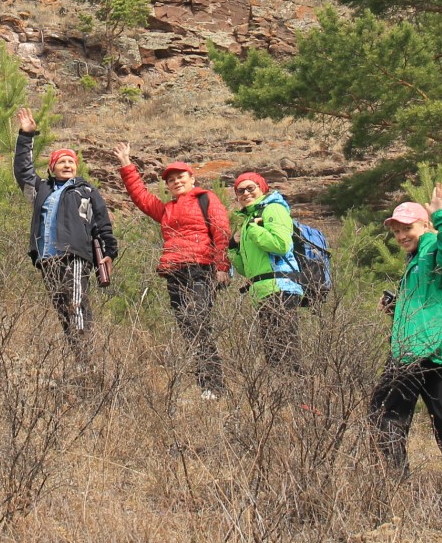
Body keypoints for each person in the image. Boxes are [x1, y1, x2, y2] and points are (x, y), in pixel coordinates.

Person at [370, 183, 442, 505]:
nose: (401, 235)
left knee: (384, 415)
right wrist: (397, 309)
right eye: (396, 231)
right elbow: (432, 300)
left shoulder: (435, 246)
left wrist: (441, 214)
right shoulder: (418, 259)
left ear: (425, 226)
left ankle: (395, 488)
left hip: (421, 353)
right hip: (435, 352)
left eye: (407, 228)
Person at [114, 142, 232, 399]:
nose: (176, 182)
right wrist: (126, 164)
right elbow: (141, 197)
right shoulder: (167, 209)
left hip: (202, 269)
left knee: (198, 321)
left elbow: (222, 231)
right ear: (167, 186)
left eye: (181, 177)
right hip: (174, 271)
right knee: (186, 326)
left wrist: (222, 266)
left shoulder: (206, 198)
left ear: (192, 178)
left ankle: (215, 384)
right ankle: (205, 385)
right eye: (171, 180)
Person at [13, 107, 119, 353]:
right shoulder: (41, 189)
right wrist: (25, 136)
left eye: (71, 161)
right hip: (48, 259)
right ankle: (79, 357)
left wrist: (109, 253)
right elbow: (22, 171)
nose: (68, 165)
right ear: (52, 168)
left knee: (76, 304)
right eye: (62, 161)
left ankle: (87, 358)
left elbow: (103, 225)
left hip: (76, 255)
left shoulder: (87, 191)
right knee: (62, 310)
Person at [227, 172, 304, 372]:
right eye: (240, 190)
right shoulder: (249, 220)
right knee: (274, 354)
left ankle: (300, 398)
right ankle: (284, 399)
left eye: (250, 188)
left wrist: (253, 231)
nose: (245, 193)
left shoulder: (273, 209)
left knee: (286, 352)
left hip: (281, 288)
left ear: (263, 188)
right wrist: (233, 248)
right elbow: (247, 269)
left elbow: (280, 245)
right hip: (262, 292)